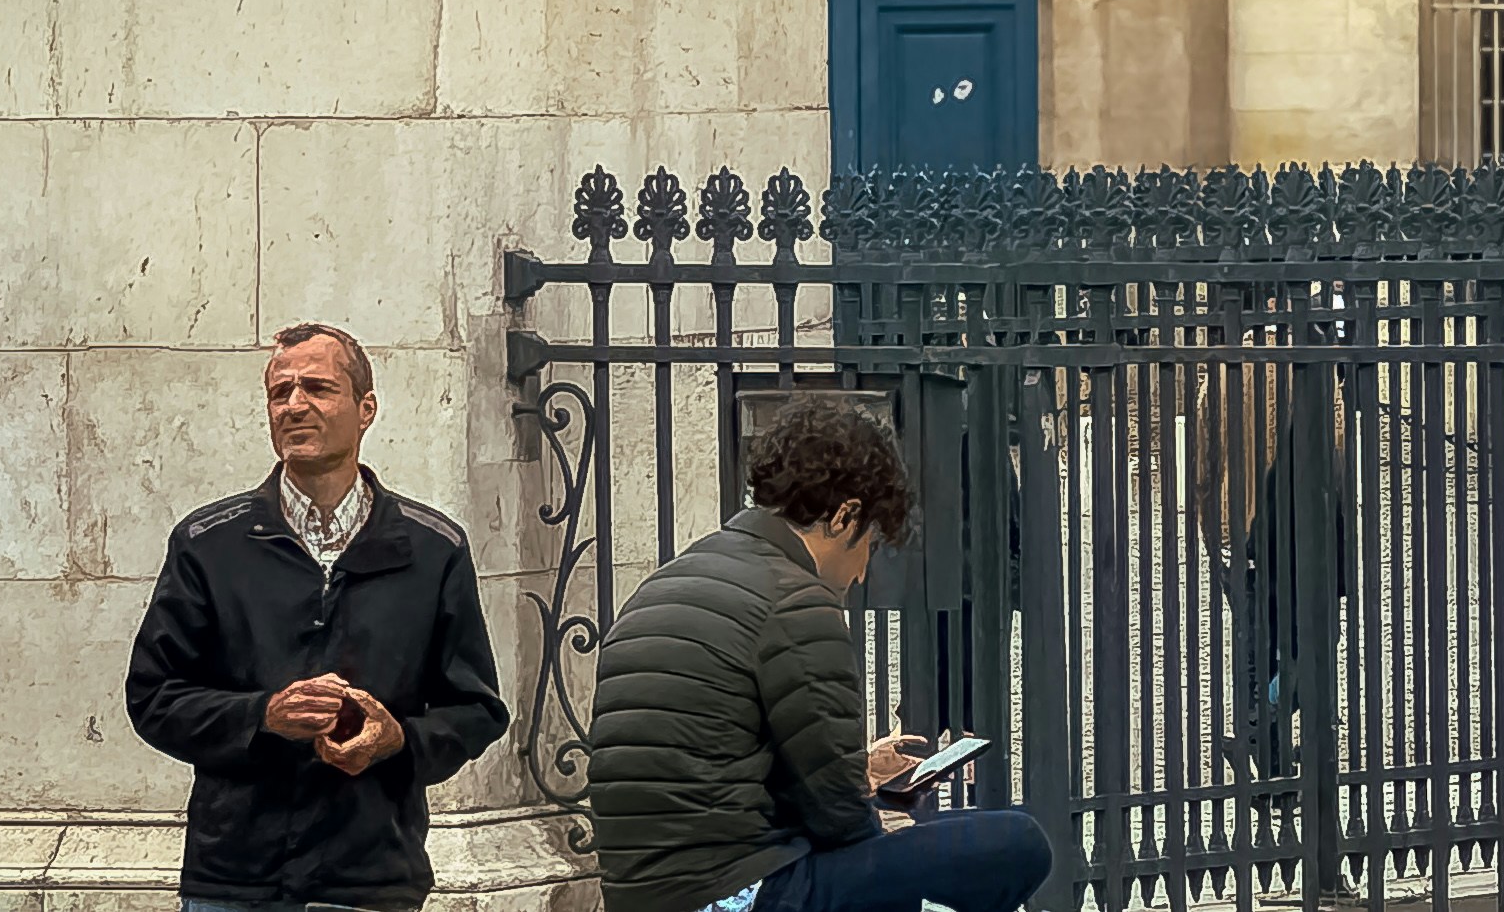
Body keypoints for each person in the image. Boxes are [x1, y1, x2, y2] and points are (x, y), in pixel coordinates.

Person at [586, 396, 1054, 912]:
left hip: (647, 894)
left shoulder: (663, 584)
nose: (861, 573)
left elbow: (722, 760)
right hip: (744, 892)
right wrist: (873, 811)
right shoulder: (797, 601)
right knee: (1018, 841)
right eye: (869, 545)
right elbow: (840, 820)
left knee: (932, 844)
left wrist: (862, 772)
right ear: (844, 517)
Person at [127, 319, 508, 912]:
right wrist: (263, 716)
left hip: (371, 879)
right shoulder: (209, 543)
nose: (295, 405)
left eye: (318, 388)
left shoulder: (434, 549)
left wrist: (398, 741)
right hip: (235, 880)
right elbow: (154, 696)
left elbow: (477, 709)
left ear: (366, 409)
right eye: (280, 392)